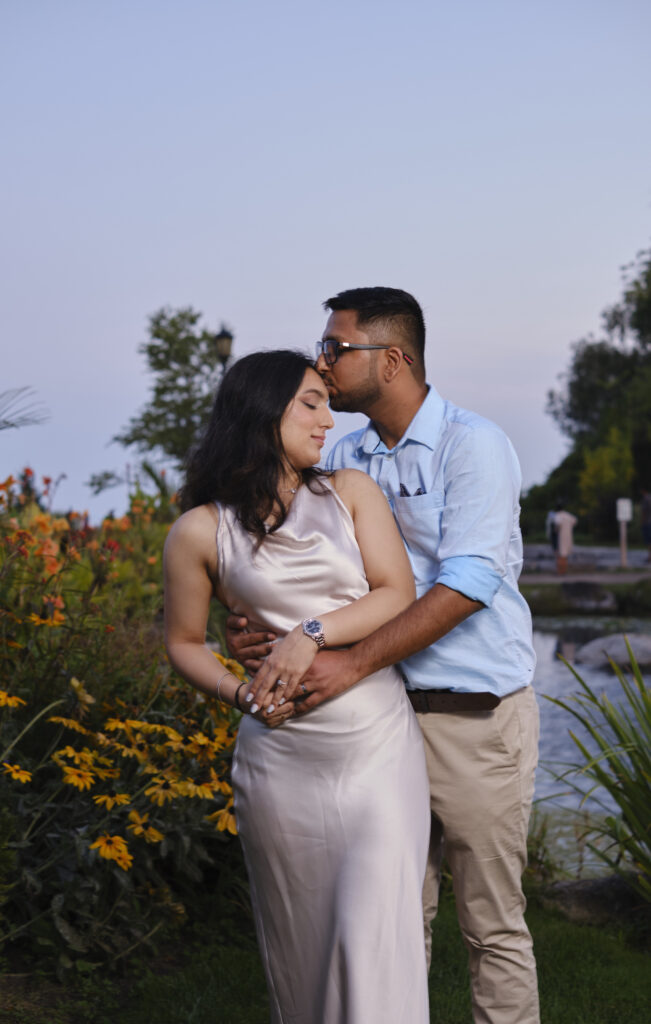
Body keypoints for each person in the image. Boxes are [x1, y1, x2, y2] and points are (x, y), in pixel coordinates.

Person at [231, 288, 540, 1024]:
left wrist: (350, 660)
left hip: (474, 721)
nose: (322, 360)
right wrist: (265, 630)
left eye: (337, 348)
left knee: (489, 924)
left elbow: (464, 585)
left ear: (393, 359)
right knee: (395, 923)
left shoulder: (475, 446)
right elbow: (316, 574)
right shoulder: (344, 456)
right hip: (379, 726)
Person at [163, 350, 430, 1024]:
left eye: (325, 402)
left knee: (371, 938)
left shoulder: (351, 493)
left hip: (373, 747)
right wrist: (240, 696)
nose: (325, 417)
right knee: (302, 949)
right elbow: (184, 643)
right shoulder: (199, 530)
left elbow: (396, 593)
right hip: (279, 762)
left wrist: (309, 631)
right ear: (261, 410)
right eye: (308, 402)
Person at [553, 502, 577, 574]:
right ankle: (563, 571)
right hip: (568, 536)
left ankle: (560, 571)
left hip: (561, 537)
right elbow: (574, 521)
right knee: (565, 555)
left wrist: (556, 530)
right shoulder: (568, 515)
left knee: (561, 554)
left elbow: (558, 524)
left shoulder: (558, 515)